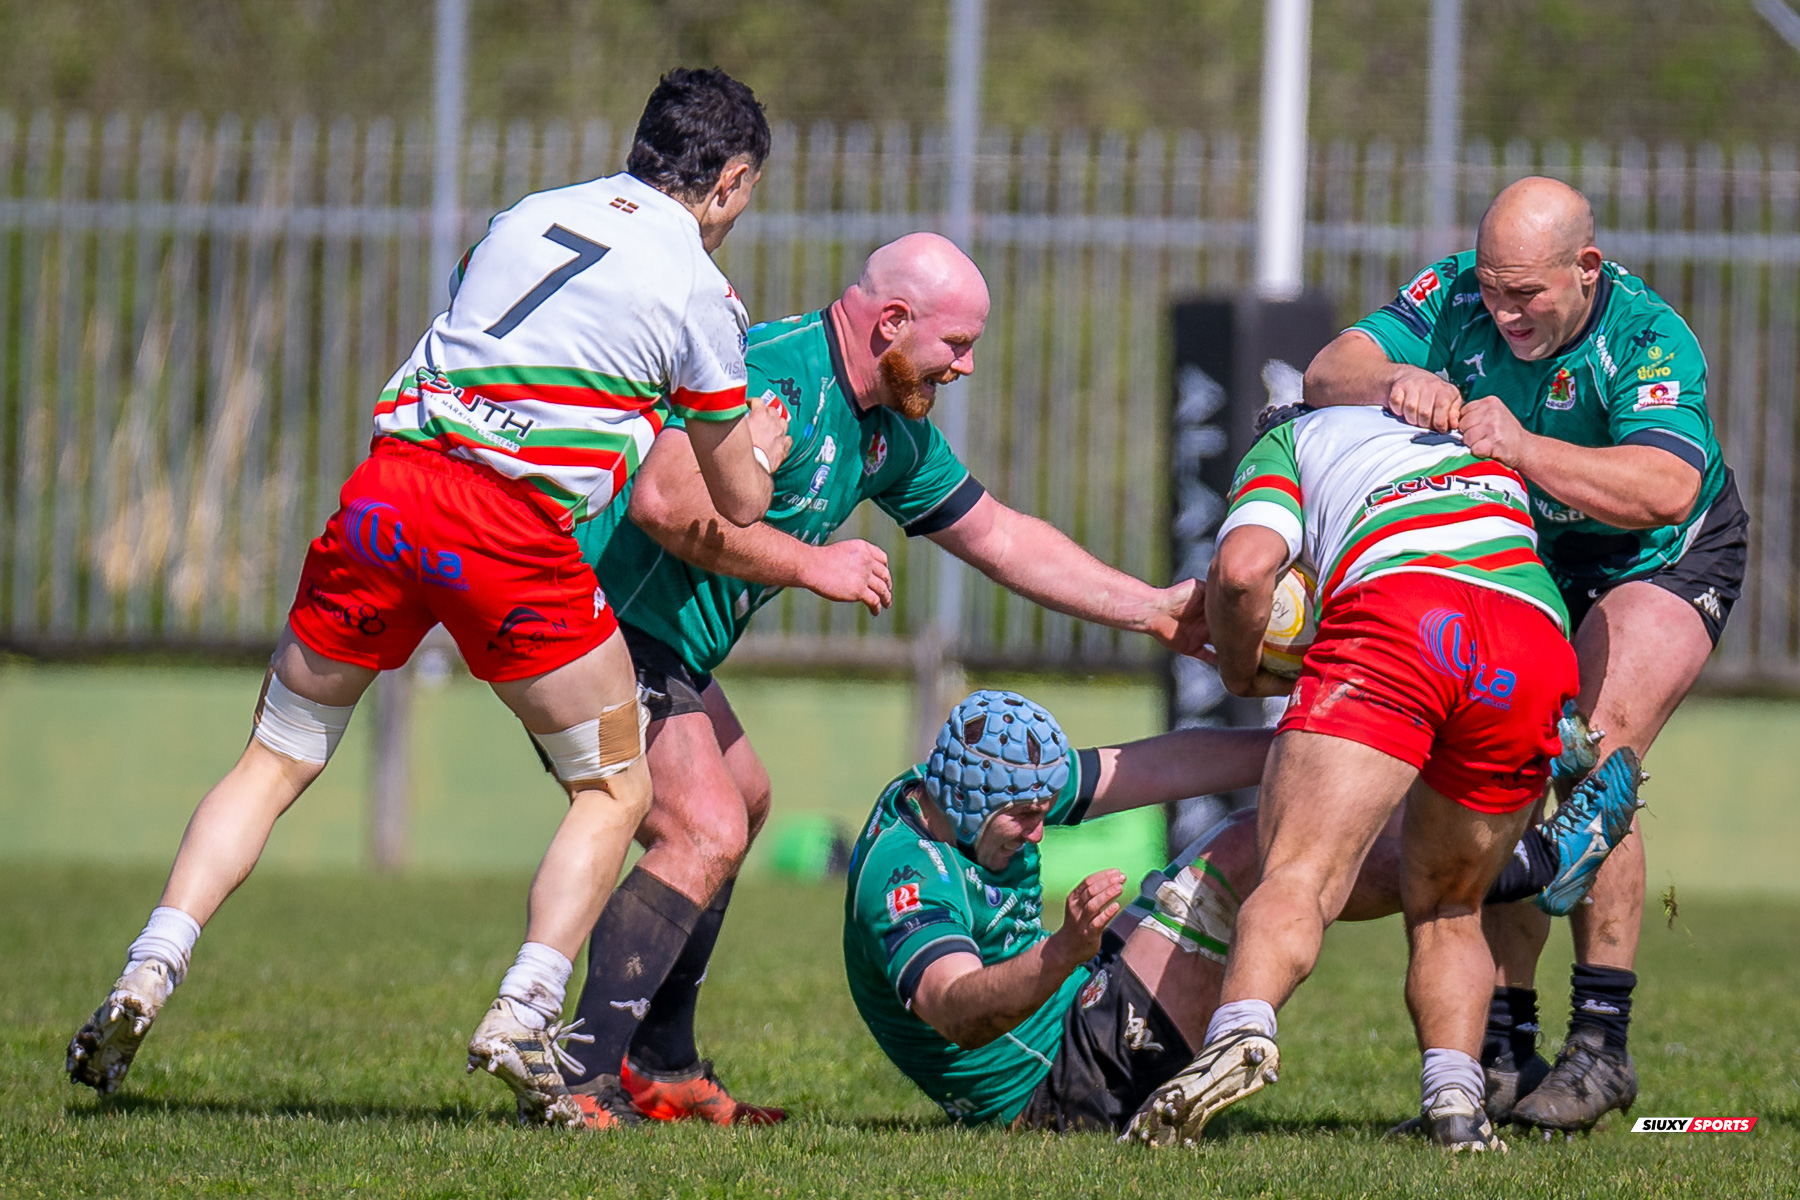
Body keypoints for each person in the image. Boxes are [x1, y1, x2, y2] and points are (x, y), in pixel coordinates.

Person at [64, 68, 789, 1132]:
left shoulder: (529, 213)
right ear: (730, 182)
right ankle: (523, 1010)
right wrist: (761, 449)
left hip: (389, 491)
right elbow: (735, 496)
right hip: (508, 530)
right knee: (616, 790)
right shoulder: (700, 288)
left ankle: (147, 970)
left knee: (275, 756)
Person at [551, 232, 1210, 1125]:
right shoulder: (774, 371)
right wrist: (810, 563)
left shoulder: (887, 431)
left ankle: (661, 1065)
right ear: (892, 322)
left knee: (740, 802)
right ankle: (576, 1079)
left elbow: (1002, 536)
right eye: (957, 344)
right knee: (701, 826)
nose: (966, 367)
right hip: (600, 623)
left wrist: (1153, 610)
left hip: (669, 647)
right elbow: (664, 500)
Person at [1301, 176, 1745, 1131]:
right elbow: (1328, 368)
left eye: (1527, 295)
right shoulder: (1457, 290)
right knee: (1503, 762)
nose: (1503, 314)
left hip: (1658, 556)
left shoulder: (1649, 336)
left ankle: (1601, 1044)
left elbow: (1668, 485)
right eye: (1493, 290)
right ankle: (1503, 1045)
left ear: (1585, 269)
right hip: (1527, 556)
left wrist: (1522, 446)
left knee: (1591, 756)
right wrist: (1394, 381)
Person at [1122, 401, 1619, 1153]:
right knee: (1452, 903)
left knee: (1297, 875)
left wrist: (1239, 666)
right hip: (1532, 634)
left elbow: (1244, 568)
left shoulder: (1289, 440)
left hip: (1401, 613)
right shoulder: (1457, 427)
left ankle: (1240, 1034)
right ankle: (1456, 1101)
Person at [843, 685, 1639, 1137]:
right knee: (1243, 851)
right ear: (961, 806)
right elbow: (954, 1012)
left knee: (1280, 827)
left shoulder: (973, 784)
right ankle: (1530, 863)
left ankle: (1503, 827)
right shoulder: (905, 881)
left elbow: (1169, 761)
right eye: (1022, 818)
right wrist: (1062, 951)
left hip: (1072, 1013)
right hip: (1054, 1093)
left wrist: (1331, 745)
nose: (1040, 830)